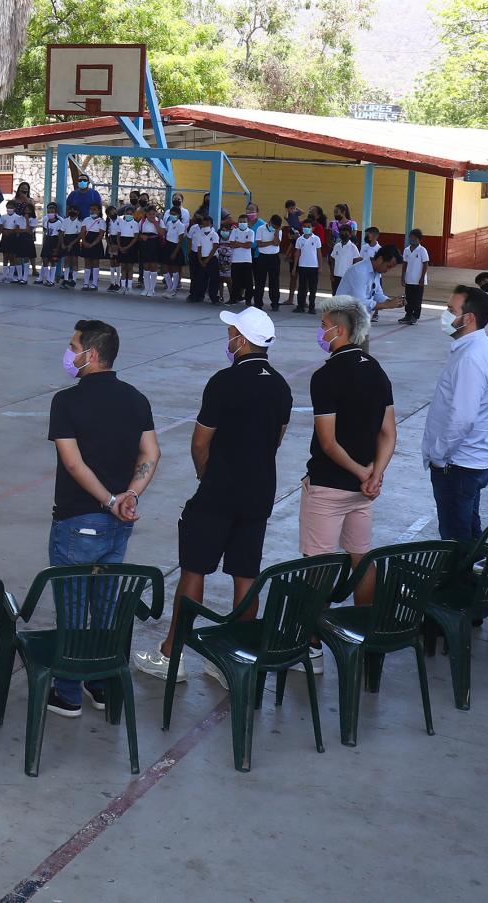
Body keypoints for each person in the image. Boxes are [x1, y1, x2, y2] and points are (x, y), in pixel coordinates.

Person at [135, 307, 291, 687]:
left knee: (194, 568)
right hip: (259, 492)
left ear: (243, 340)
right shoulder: (281, 386)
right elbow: (277, 438)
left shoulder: (224, 381)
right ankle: (233, 658)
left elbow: (201, 440)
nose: (229, 339)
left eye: (232, 332)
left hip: (220, 490)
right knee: (245, 575)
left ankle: (172, 655)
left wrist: (206, 473)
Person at [41, 318, 159, 717]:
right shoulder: (136, 398)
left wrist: (110, 500)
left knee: (73, 608)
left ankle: (69, 691)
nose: (69, 352)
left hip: (78, 521)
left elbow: (74, 465)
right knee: (106, 607)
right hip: (117, 526)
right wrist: (130, 497)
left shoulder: (66, 402)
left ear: (90, 355)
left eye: (73, 345)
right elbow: (151, 454)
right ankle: (101, 682)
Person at [302, 298, 396, 613]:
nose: (320, 331)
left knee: (318, 563)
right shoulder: (376, 370)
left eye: (323, 326)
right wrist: (375, 474)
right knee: (361, 557)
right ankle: (361, 627)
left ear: (339, 330)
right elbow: (389, 432)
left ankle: (312, 642)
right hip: (364, 492)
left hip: (330, 485)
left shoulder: (326, 376)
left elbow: (328, 443)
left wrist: (360, 472)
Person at [420, 286, 488, 541]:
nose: (445, 315)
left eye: (450, 310)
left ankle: (460, 580)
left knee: (456, 539)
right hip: (466, 462)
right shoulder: (476, 349)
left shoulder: (471, 358)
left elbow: (462, 418)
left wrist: (439, 455)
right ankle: (473, 577)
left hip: (457, 465)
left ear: (468, 318)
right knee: (467, 530)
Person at [337, 244, 406, 318]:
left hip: (357, 318)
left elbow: (377, 295)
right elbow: (360, 303)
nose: (387, 270)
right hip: (341, 317)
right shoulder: (360, 271)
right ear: (380, 259)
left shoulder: (376, 272)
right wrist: (387, 305)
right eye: (388, 266)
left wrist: (392, 302)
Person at [399, 230, 431, 324]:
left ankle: (415, 316)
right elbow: (404, 264)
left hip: (418, 280)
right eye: (411, 237)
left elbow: (425, 264)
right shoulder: (406, 250)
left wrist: (422, 278)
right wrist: (402, 277)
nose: (412, 239)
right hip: (409, 279)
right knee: (408, 298)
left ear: (419, 240)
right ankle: (408, 315)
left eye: (414, 238)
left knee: (417, 299)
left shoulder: (422, 250)